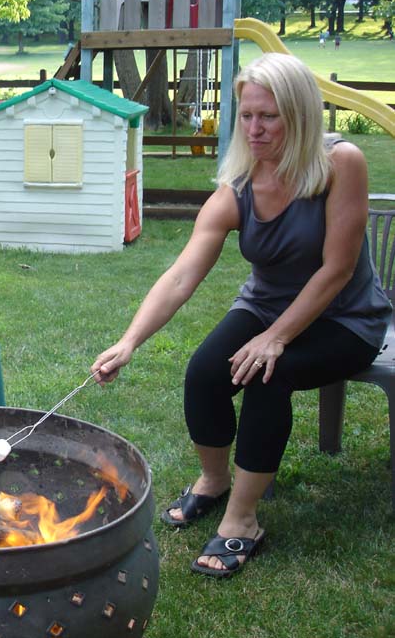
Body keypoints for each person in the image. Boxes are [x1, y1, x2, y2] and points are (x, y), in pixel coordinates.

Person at [89, 53, 391, 579]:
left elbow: (337, 270)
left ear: (299, 115)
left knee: (268, 374)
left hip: (346, 317)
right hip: (266, 306)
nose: (254, 129)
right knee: (205, 373)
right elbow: (182, 274)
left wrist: (276, 338)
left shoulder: (341, 163)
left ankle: (243, 519)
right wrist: (129, 340)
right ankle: (214, 480)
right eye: (247, 115)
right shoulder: (240, 186)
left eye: (268, 116)